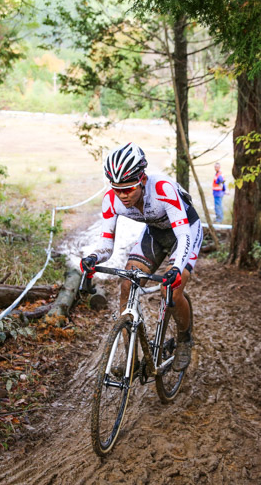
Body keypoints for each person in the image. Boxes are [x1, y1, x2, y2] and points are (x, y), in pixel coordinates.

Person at [80, 142, 203, 371]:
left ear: (143, 180)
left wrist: (175, 268)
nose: (123, 195)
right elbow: (106, 244)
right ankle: (131, 361)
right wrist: (94, 258)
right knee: (127, 284)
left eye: (128, 189)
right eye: (117, 189)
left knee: (172, 291)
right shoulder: (113, 199)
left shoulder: (164, 189)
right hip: (154, 234)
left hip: (185, 231)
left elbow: (183, 234)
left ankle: (185, 339)